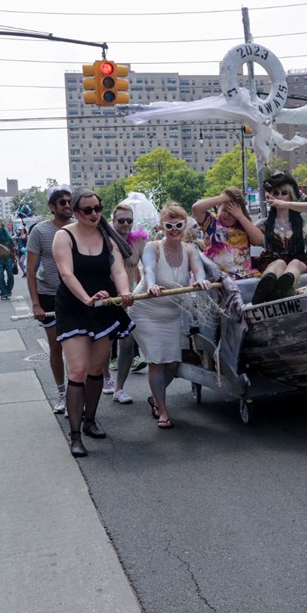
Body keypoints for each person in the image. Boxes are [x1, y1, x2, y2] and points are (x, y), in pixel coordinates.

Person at [52, 188, 136, 458]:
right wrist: (86, 298)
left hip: (104, 306)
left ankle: (90, 421)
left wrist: (124, 293)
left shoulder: (107, 238)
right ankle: (75, 434)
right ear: (76, 211)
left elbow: (119, 270)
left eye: (98, 208)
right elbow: (66, 273)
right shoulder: (63, 236)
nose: (94, 214)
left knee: (97, 368)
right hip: (74, 307)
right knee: (77, 370)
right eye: (88, 210)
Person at [130, 203, 209, 429]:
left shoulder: (190, 249)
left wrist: (200, 279)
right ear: (162, 226)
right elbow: (149, 270)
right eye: (169, 225)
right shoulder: (152, 247)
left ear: (184, 225)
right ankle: (163, 411)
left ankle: (156, 398)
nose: (174, 229)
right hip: (145, 312)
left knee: (173, 363)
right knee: (156, 361)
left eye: (178, 225)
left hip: (171, 314)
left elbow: (198, 269)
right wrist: (152, 285)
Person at [27, 186, 74, 414]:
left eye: (69, 202)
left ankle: (79, 394)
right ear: (52, 207)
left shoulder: (81, 227)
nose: (67, 206)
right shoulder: (40, 231)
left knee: (77, 345)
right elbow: (31, 268)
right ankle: (62, 393)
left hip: (77, 295)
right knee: (56, 346)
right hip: (49, 295)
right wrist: (35, 303)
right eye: (62, 202)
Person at [251, 172, 307, 303]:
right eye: (276, 193)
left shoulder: (302, 218)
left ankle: (283, 289)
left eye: (284, 193)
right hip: (273, 262)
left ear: (291, 196)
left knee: (294, 263)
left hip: (298, 260)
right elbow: (246, 237)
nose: (279, 197)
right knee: (279, 263)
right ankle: (263, 291)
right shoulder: (263, 224)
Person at [107, 202, 149, 403]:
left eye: (129, 220)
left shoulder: (139, 242)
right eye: (121, 220)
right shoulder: (103, 241)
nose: (125, 224)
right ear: (113, 221)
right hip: (105, 300)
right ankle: (105, 379)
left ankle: (118, 388)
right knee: (102, 345)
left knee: (127, 342)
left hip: (128, 299)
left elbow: (148, 267)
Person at [191, 187, 263, 278]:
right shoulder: (211, 223)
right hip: (217, 277)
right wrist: (223, 197)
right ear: (218, 207)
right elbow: (196, 208)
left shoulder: (244, 225)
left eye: (232, 212)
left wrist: (241, 217)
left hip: (242, 277)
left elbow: (259, 240)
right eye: (225, 210)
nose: (227, 215)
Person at [0, 221, 16, 300]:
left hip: (8, 258)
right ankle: (3, 292)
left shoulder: (8, 238)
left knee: (10, 276)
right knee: (1, 276)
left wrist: (14, 258)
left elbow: (12, 248)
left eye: (2, 226)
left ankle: (8, 290)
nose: (0, 227)